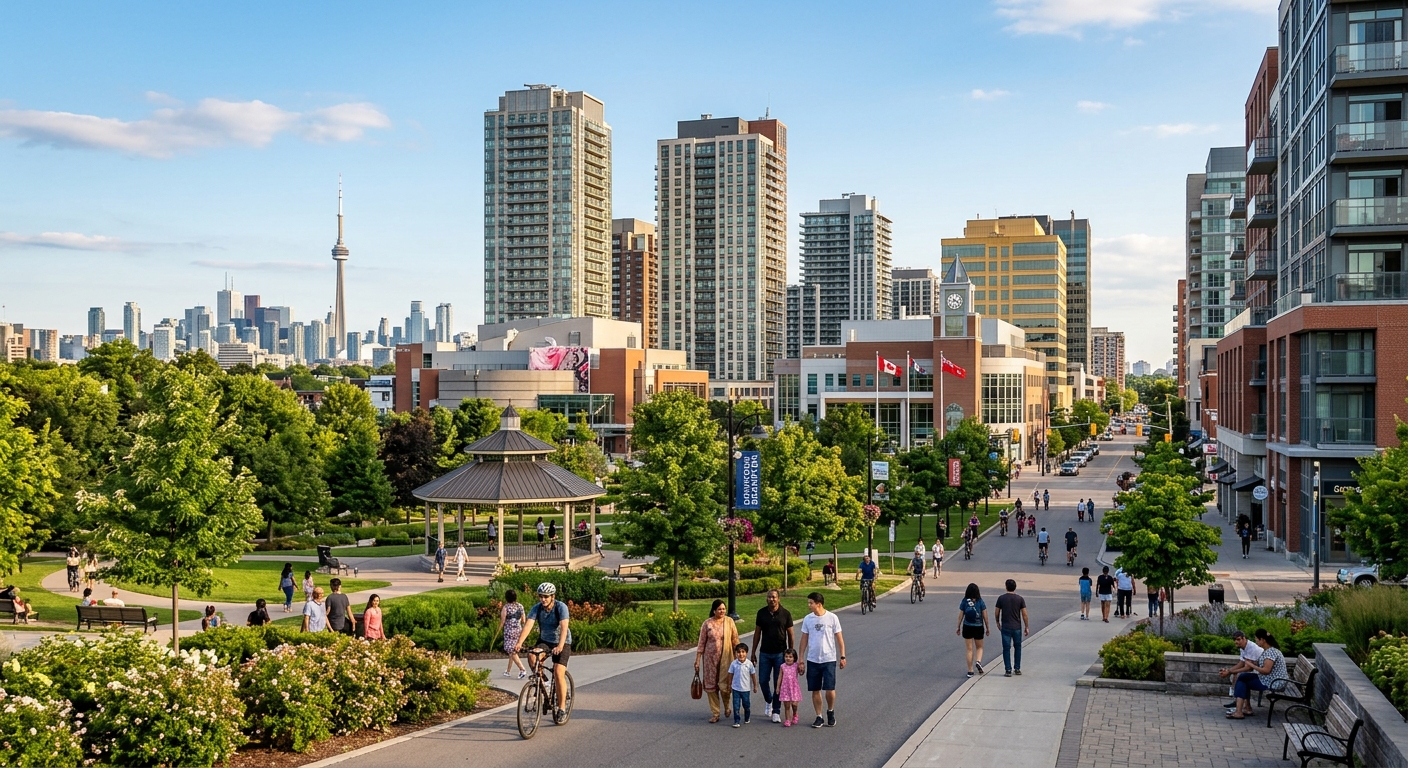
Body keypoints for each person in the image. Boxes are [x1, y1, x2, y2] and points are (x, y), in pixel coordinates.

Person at [517, 582, 573, 724]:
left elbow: (564, 627)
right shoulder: (537, 608)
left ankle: (561, 708)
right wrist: (519, 643)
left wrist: (560, 646)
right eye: (541, 596)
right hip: (545, 641)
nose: (543, 599)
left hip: (562, 642)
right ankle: (544, 683)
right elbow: (528, 625)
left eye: (546, 597)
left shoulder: (561, 607)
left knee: (558, 672)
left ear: (552, 596)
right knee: (532, 656)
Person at [796, 591, 845, 728]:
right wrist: (801, 659)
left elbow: (839, 638)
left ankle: (830, 711)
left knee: (830, 689)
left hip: (828, 659)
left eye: (811, 603)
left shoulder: (832, 618)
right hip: (813, 659)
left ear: (819, 604)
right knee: (815, 689)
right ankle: (819, 716)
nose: (808, 605)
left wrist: (842, 656)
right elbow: (804, 639)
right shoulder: (808, 619)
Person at [749, 589, 794, 723]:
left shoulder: (785, 614)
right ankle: (769, 700)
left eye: (774, 597)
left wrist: (791, 652)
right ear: (766, 599)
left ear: (778, 599)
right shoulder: (761, 613)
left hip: (780, 653)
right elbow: (757, 633)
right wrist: (753, 652)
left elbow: (791, 634)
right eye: (769, 597)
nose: (771, 599)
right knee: (763, 681)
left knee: (777, 682)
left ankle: (776, 711)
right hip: (765, 653)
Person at [693, 598, 740, 723]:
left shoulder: (729, 622)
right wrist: (697, 660)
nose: (722, 611)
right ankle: (715, 713)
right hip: (710, 660)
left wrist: (739, 657)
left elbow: (735, 640)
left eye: (724, 609)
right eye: (719, 609)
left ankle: (727, 707)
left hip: (726, 658)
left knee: (725, 684)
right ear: (714, 610)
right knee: (711, 686)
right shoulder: (707, 624)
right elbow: (701, 643)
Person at [1226, 629, 1287, 719]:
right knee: (1243, 677)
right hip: (1268, 679)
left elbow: (1266, 670)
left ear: (1263, 640)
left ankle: (1240, 711)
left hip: (1274, 682)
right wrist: (1254, 662)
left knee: (1242, 679)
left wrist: (1251, 665)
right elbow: (1263, 665)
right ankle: (1245, 709)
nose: (1256, 641)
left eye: (1257, 639)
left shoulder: (1271, 652)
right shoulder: (1268, 650)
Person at [1217, 630, 1263, 708]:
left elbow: (1248, 668)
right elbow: (1241, 663)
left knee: (1240, 676)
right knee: (1234, 675)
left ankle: (1242, 704)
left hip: (1261, 673)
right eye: (1234, 640)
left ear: (1244, 638)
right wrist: (1228, 670)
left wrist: (1230, 672)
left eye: (1238, 639)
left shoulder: (1252, 648)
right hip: (1254, 670)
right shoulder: (1242, 647)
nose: (1236, 642)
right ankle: (1237, 700)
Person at [995, 579, 1030, 677]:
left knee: (1006, 648)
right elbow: (1024, 614)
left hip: (1006, 627)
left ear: (1006, 587)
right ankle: (1017, 668)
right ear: (1015, 587)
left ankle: (1008, 669)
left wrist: (997, 621)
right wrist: (1026, 626)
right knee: (1017, 647)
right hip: (1017, 627)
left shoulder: (1001, 598)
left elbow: (997, 612)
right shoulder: (1020, 599)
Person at [956, 583, 989, 678]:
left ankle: (970, 670)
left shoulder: (964, 601)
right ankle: (978, 661)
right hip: (978, 626)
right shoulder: (980, 601)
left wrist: (958, 626)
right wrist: (987, 627)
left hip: (967, 626)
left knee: (969, 649)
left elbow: (961, 615)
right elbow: (985, 615)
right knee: (979, 647)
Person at [498, 588, 529, 679]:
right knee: (513, 651)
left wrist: (498, 630)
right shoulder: (520, 606)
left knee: (510, 650)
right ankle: (508, 671)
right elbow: (523, 620)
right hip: (518, 631)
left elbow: (502, 621)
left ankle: (522, 669)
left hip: (509, 632)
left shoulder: (506, 607)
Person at [725, 643, 757, 727]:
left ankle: (747, 717)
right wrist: (729, 685)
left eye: (743, 652)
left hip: (745, 689)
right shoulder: (734, 664)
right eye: (739, 652)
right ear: (736, 653)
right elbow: (730, 674)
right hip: (736, 689)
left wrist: (755, 686)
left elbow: (753, 675)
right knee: (736, 705)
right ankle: (736, 721)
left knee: (746, 705)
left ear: (746, 653)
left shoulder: (749, 664)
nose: (741, 654)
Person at [777, 648, 802, 727]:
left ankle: (795, 713)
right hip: (785, 688)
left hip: (794, 688)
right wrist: (778, 687)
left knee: (794, 704)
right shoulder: (782, 666)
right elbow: (780, 677)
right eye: (786, 656)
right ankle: (787, 719)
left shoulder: (796, 665)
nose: (788, 658)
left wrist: (801, 668)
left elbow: (801, 672)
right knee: (787, 705)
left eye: (790, 657)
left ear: (794, 658)